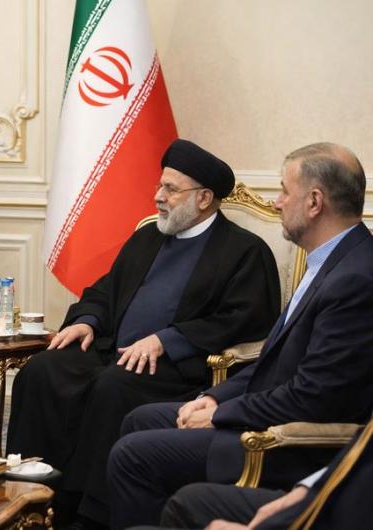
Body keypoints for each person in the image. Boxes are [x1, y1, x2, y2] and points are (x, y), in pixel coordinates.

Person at [6, 139, 281, 525]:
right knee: (42, 370)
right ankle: (28, 493)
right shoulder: (147, 237)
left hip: (178, 366)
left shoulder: (244, 251)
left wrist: (167, 340)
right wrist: (88, 321)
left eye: (171, 189)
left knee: (113, 387)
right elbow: (105, 291)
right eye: (159, 185)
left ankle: (89, 512)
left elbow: (244, 320)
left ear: (204, 198)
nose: (158, 196)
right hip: (113, 351)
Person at [103, 142, 373, 530]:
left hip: (288, 444)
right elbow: (274, 362)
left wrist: (223, 413)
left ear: (314, 202)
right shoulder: (331, 260)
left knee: (133, 456)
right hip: (267, 413)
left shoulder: (356, 279)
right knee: (139, 419)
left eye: (284, 191)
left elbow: (312, 397)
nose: (277, 203)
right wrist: (215, 396)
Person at [130, 414, 373, 530]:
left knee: (134, 455)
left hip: (339, 512)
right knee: (188, 502)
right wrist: (307, 488)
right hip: (330, 492)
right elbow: (363, 445)